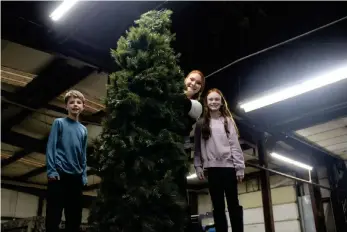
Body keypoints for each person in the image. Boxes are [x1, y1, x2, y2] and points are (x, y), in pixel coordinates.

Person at [194, 88, 245, 232]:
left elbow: (234, 145)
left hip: (229, 168)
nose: (214, 102)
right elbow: (197, 148)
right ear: (206, 102)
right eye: (211, 99)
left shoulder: (227, 121)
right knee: (218, 206)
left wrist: (239, 167)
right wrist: (198, 166)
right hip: (212, 169)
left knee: (233, 204)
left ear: (222, 102)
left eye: (217, 99)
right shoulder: (201, 123)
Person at [45, 90, 88, 232]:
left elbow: (83, 154)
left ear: (83, 106)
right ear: (66, 107)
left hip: (76, 177)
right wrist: (51, 170)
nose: (75, 105)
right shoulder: (59, 123)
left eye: (78, 102)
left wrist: (83, 174)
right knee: (53, 216)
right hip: (58, 175)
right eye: (71, 102)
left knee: (74, 217)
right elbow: (51, 147)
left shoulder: (83, 130)